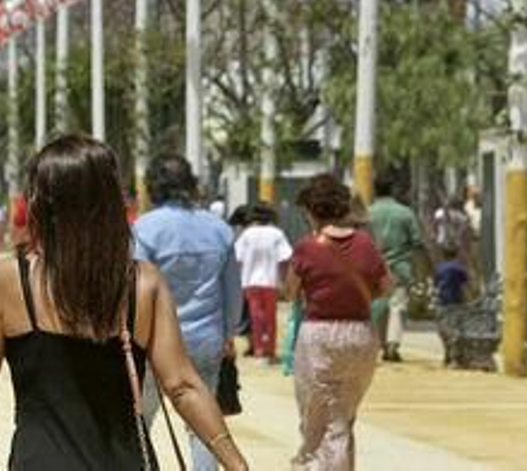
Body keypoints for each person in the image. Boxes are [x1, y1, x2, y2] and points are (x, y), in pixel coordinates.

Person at [0, 136, 249, 471]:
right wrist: (235, 462)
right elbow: (182, 385)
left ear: (40, 203)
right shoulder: (143, 283)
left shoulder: (7, 281)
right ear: (112, 201)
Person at [132, 154, 242, 471]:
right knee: (205, 427)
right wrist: (229, 333)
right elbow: (232, 292)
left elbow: (136, 290)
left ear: (152, 187)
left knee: (141, 423)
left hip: (154, 343)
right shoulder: (218, 228)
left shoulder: (144, 229)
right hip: (206, 341)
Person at [286, 173, 395, 470]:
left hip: (319, 336)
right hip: (360, 335)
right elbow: (386, 286)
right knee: (342, 417)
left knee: (319, 422)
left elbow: (290, 291)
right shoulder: (365, 244)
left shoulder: (307, 248)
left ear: (310, 210)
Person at [366, 176, 425, 363]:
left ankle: (379, 344)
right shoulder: (405, 213)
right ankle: (392, 345)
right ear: (393, 190)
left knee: (378, 307)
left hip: (373, 269)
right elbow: (417, 242)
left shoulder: (367, 214)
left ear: (375, 190)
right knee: (397, 307)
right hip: (400, 268)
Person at [233, 203, 291, 361]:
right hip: (271, 281)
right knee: (270, 317)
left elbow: (237, 257)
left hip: (250, 281)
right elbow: (285, 257)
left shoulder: (247, 234)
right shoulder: (277, 233)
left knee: (255, 316)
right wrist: (285, 281)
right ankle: (270, 350)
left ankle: (258, 349)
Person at [432, 245, 470, 367]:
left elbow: (436, 285)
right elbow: (465, 286)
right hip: (456, 302)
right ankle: (455, 358)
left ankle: (448, 354)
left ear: (443, 255)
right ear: (456, 254)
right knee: (456, 330)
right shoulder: (459, 268)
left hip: (442, 303)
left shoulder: (439, 268)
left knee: (443, 330)